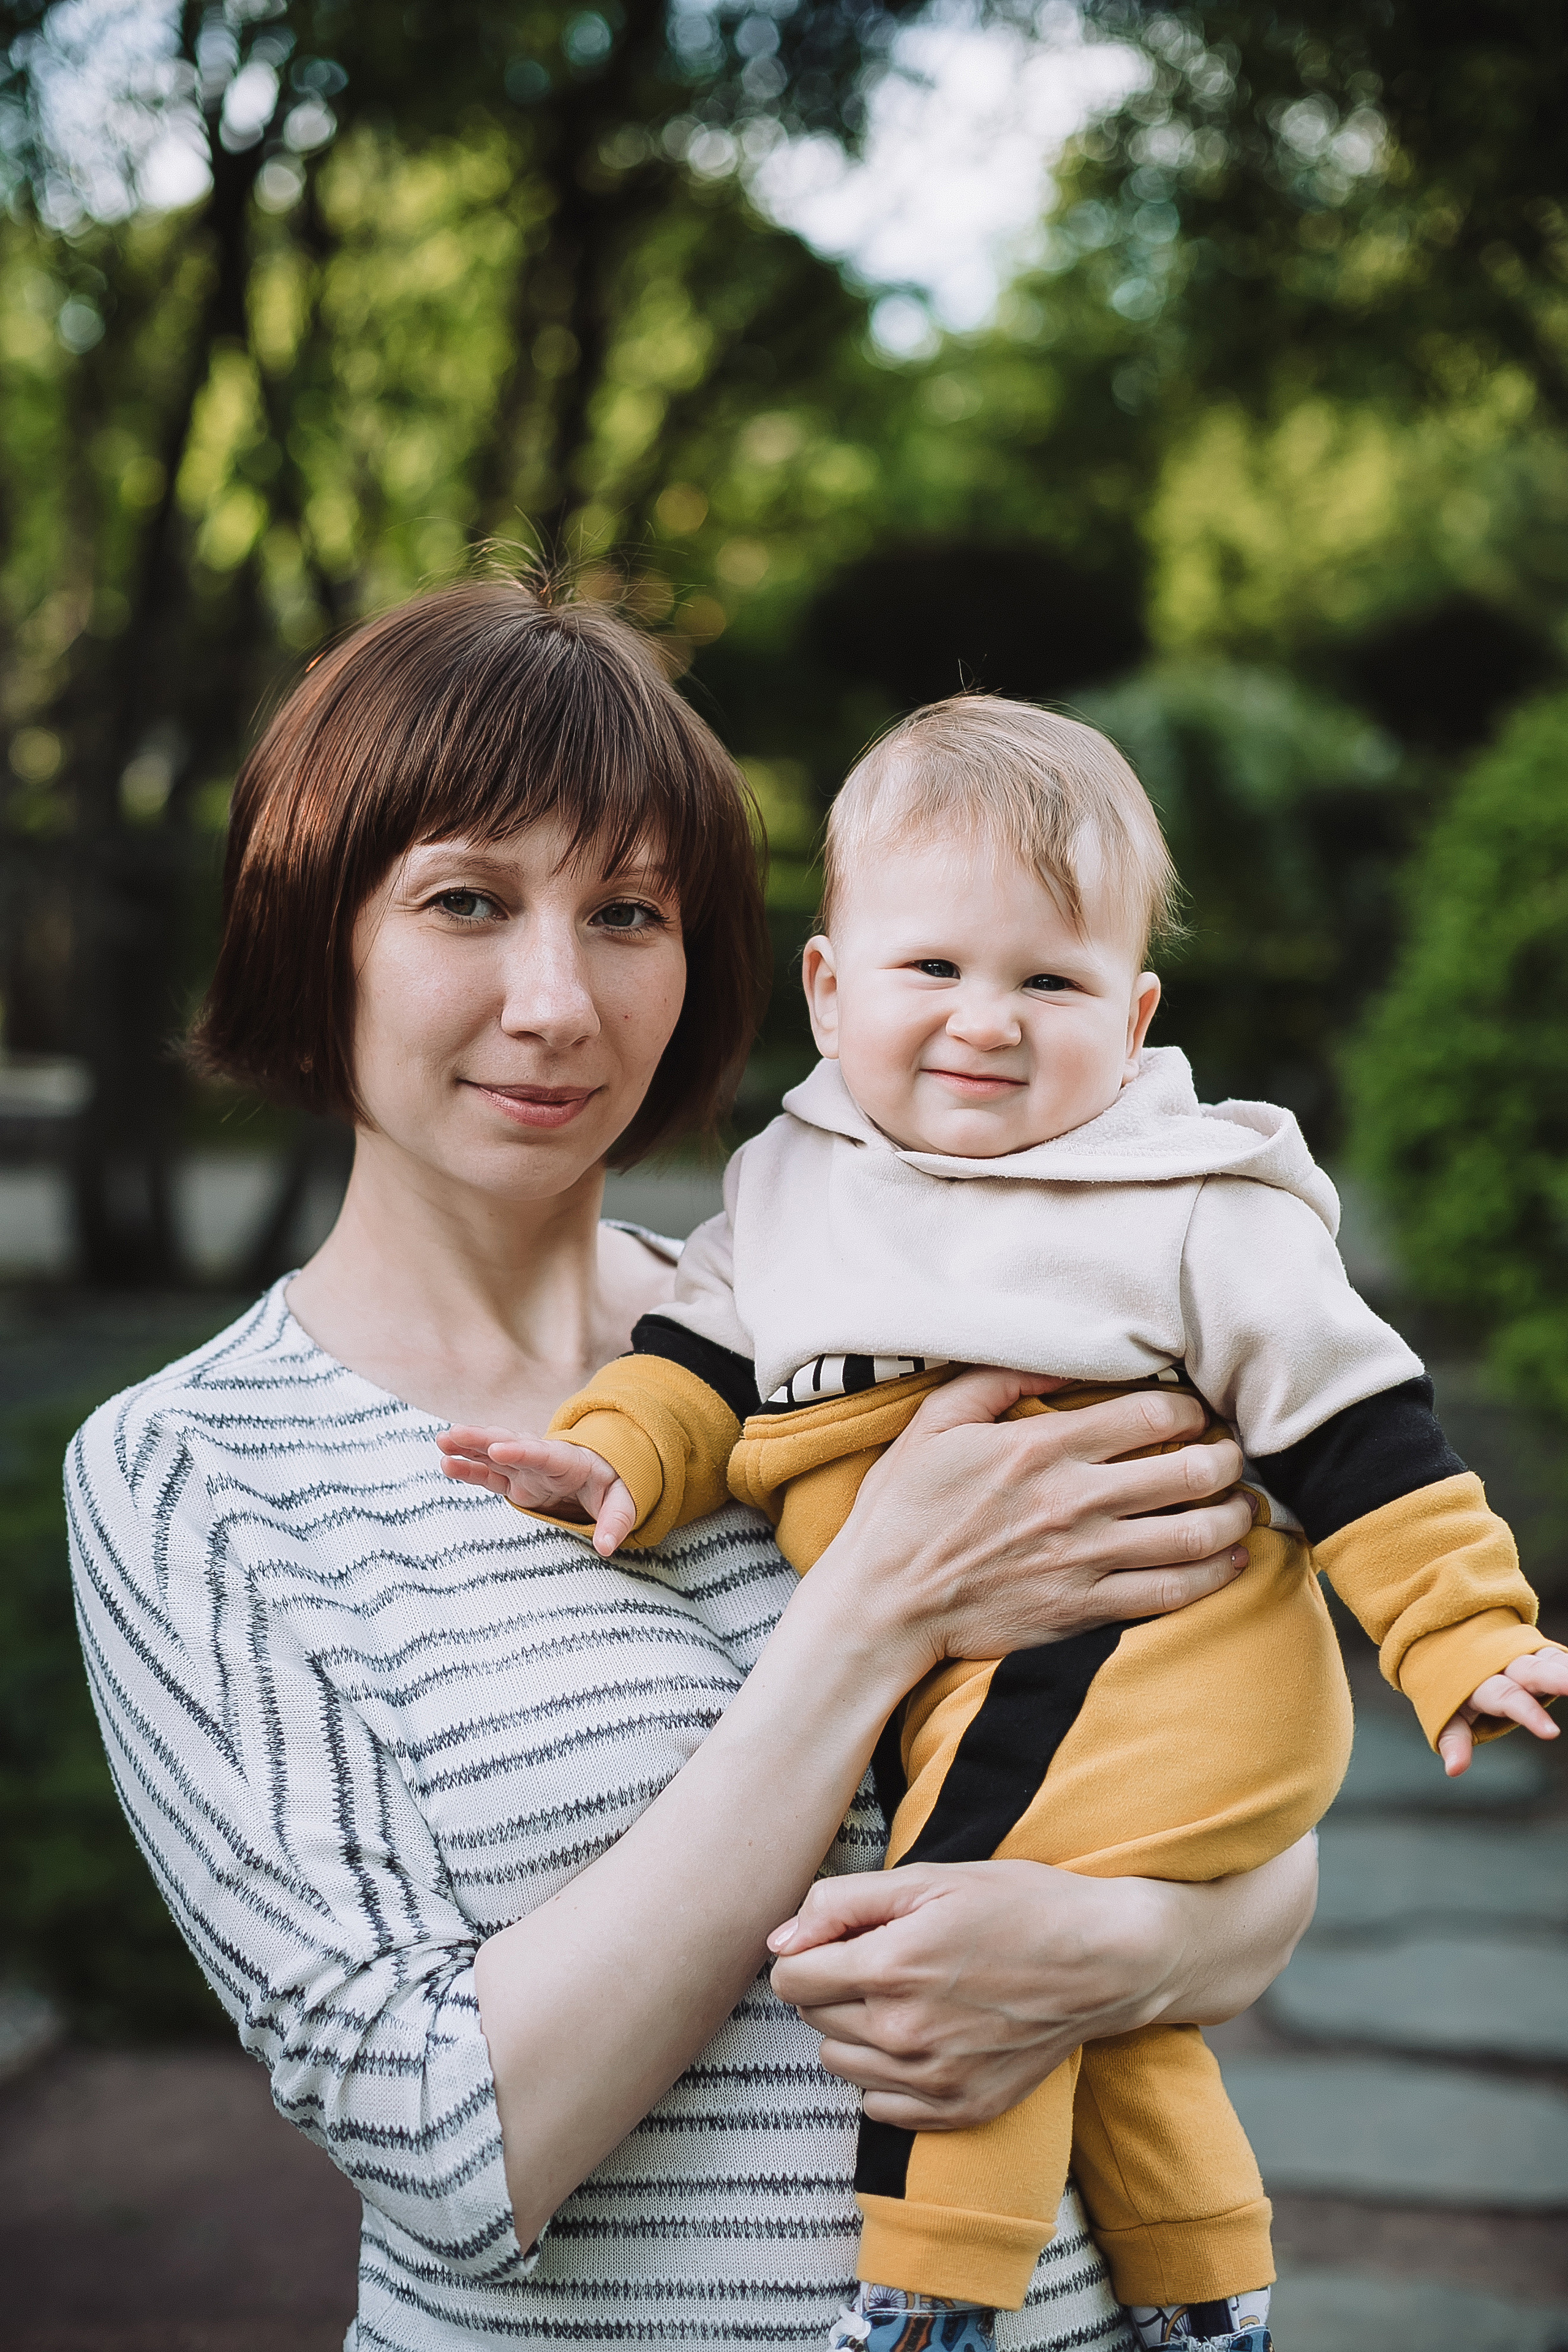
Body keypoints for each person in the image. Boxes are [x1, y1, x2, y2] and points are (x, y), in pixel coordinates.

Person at [67, 584, 1320, 2352]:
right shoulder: (190, 1474)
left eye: (629, 913)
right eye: (467, 902)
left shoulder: (876, 1325)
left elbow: (1243, 1823)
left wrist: (1115, 1959)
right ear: (315, 929)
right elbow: (442, 2145)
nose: (558, 1000)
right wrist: (876, 1610)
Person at [450, 694, 1568, 2352]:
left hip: (1148, 1650)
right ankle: (1209, 2296)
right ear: (830, 990)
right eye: (935, 970)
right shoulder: (798, 1177)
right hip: (1008, 1660)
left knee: (942, 1925)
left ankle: (926, 2298)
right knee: (1092, 2014)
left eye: (1050, 981)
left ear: (1135, 1013)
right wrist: (613, 1457)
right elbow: (700, 1358)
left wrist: (1464, 1633)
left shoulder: (1192, 1204)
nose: (987, 1022)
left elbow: (1359, 1431)